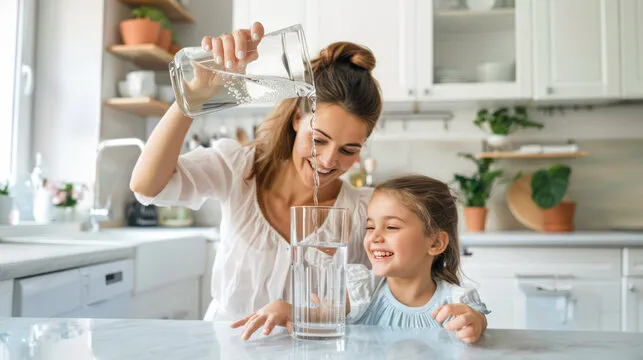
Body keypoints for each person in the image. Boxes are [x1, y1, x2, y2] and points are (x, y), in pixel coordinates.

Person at [129, 21, 383, 321]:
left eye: (349, 150)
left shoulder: (364, 213)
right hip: (227, 349)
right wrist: (193, 99)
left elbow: (389, 299)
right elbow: (147, 186)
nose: (328, 161)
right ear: (296, 119)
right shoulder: (240, 167)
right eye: (318, 140)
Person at [232, 175, 490, 344]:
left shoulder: (454, 301)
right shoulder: (363, 291)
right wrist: (285, 308)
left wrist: (475, 324)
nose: (374, 237)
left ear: (435, 242)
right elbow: (320, 317)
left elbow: (475, 322)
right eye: (370, 227)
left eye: (391, 227)